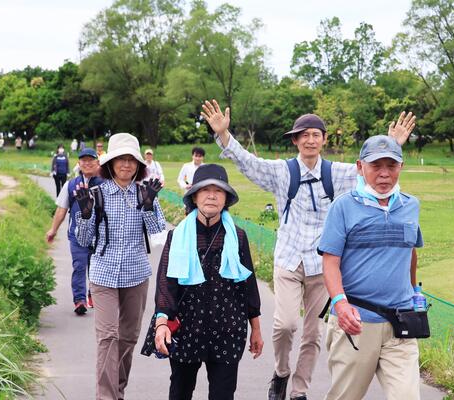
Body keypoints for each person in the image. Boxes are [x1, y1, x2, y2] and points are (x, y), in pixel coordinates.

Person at [201, 99, 415, 400]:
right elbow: (249, 163)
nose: (311, 140)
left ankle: (299, 391)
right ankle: (281, 372)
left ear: (324, 140)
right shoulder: (282, 172)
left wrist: (391, 144)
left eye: (316, 134)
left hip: (321, 265)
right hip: (289, 259)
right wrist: (224, 135)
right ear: (296, 140)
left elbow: (374, 171)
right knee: (285, 324)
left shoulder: (337, 173)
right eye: (304, 135)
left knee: (313, 334)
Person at [317, 135, 423, 400]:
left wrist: (414, 292)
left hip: (401, 324)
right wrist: (340, 303)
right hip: (356, 323)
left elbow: (410, 252)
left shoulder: (411, 205)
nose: (385, 174)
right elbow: (330, 261)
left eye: (392, 165)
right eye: (376, 166)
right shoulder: (343, 207)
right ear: (360, 167)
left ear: (401, 167)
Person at [146, 163, 263, 400]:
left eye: (218, 190)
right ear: (194, 196)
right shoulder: (177, 235)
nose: (212, 195)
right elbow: (166, 284)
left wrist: (256, 330)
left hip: (228, 329)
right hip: (188, 327)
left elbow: (248, 287)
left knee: (223, 394)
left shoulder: (237, 236)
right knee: (180, 391)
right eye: (205, 190)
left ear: (226, 198)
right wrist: (161, 324)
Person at [74, 133, 166, 400]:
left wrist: (149, 205)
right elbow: (83, 239)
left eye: (131, 160)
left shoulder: (144, 192)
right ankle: (106, 396)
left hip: (136, 275)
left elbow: (158, 232)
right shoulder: (95, 194)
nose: (126, 164)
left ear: (138, 165)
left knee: (127, 337)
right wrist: (86, 215)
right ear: (110, 163)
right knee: (107, 337)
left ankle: (118, 390)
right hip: (103, 274)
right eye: (120, 159)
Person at [46, 148, 103, 315]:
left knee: (96, 268)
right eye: (83, 160)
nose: (87, 163)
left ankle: (94, 295)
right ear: (78, 164)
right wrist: (53, 230)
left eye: (90, 160)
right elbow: (62, 209)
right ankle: (80, 301)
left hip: (100, 236)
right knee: (79, 266)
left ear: (97, 163)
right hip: (77, 235)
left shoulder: (105, 183)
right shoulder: (71, 185)